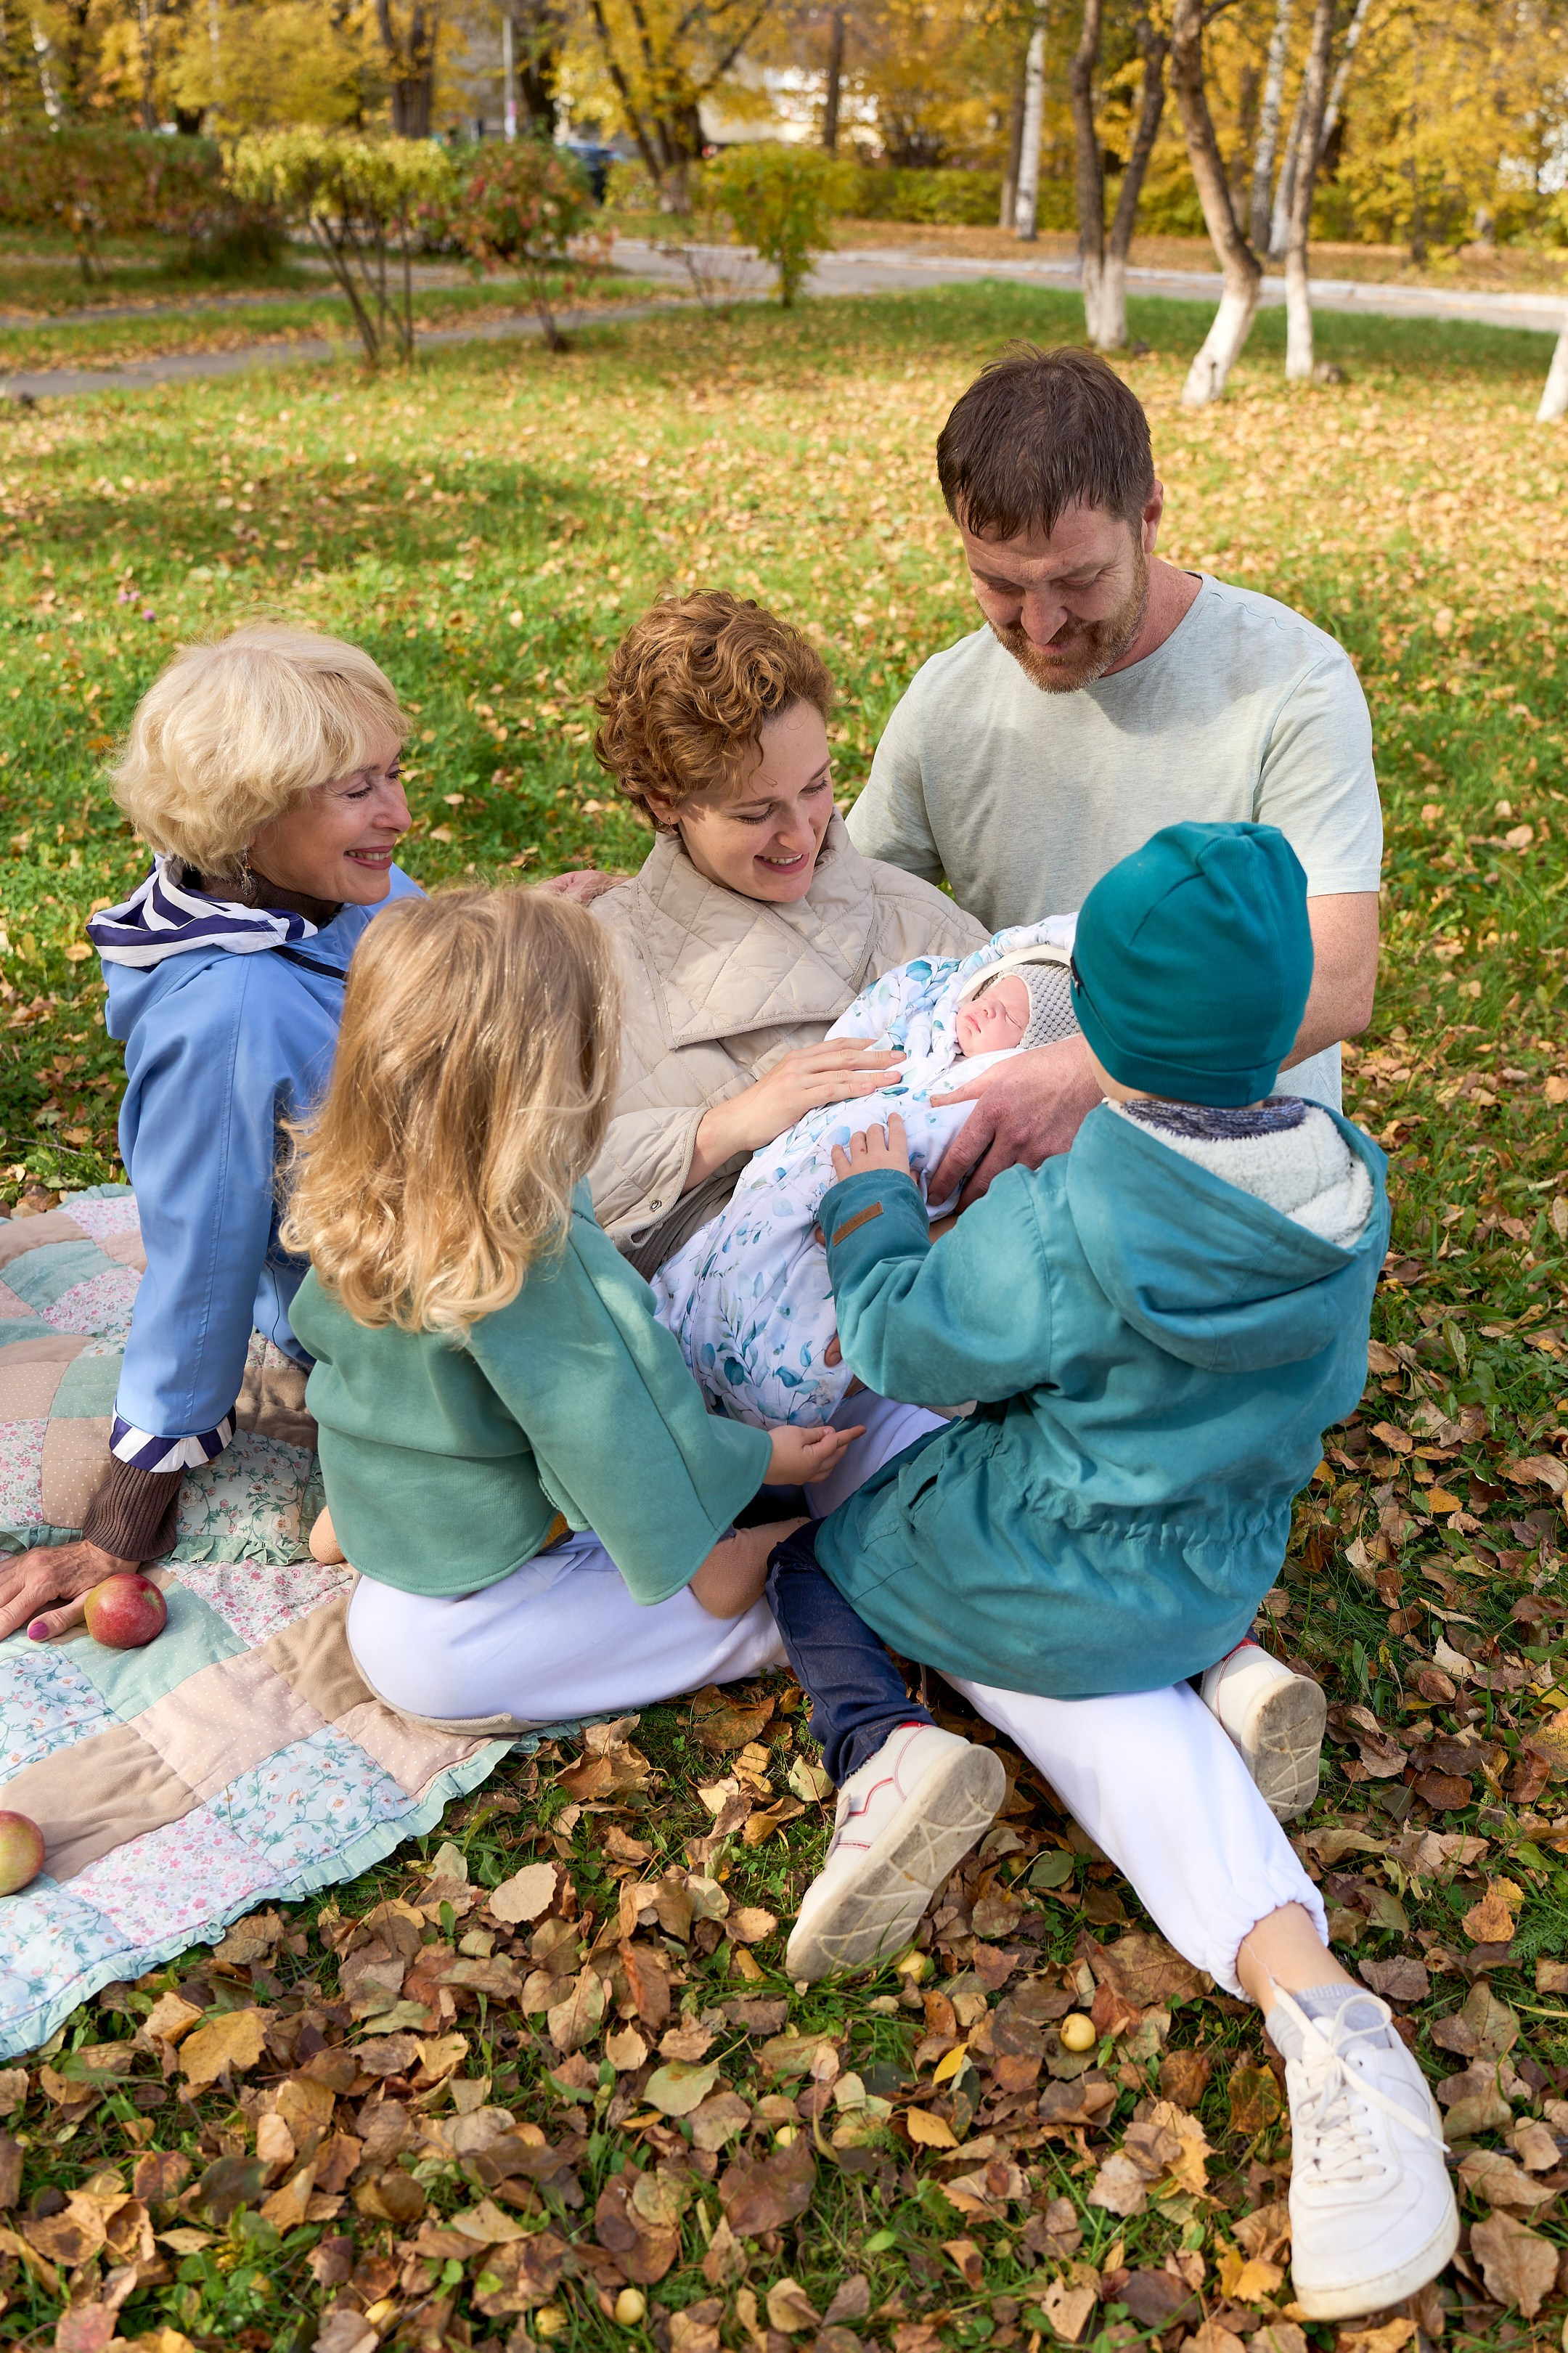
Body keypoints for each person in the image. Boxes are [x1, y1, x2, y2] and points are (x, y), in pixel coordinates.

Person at [764, 822, 1455, 2325]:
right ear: (1277, 1019)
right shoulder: (1348, 1179)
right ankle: (1226, 1666)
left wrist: (873, 1203)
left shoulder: (1072, 1214)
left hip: (1036, 1571)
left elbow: (900, 1347)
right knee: (1122, 1540)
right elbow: (1317, 1394)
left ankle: (879, 1753)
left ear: (1098, 1033)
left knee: (822, 1562)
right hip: (1219, 1556)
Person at [285, 886, 859, 1731]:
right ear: (561, 1076)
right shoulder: (531, 1254)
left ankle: (376, 1524)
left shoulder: (363, 1190)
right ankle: (748, 1564)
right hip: (463, 1584)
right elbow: (621, 1438)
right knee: (429, 1665)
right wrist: (759, 1461)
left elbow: (367, 1378)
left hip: (419, 1523)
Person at [846, 343, 1381, 1207]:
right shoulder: (947, 701)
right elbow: (843, 905)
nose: (1042, 625)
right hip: (1009, 1184)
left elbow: (1339, 978)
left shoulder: (1290, 683)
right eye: (998, 585)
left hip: (1233, 1185)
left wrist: (1092, 1075)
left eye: (1078, 580)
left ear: (1150, 513)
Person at [0, 624, 420, 1645]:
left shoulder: (319, 890)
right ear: (251, 812)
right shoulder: (231, 1017)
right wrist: (122, 1522)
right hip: (399, 1307)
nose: (400, 815)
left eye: (395, 774)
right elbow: (202, 1264)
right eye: (358, 789)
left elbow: (424, 946)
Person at [580, 592, 989, 1283]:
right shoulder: (587, 968)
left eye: (818, 785)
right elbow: (521, 1202)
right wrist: (723, 1129)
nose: (801, 833)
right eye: (755, 811)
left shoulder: (921, 924)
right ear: (664, 801)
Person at [652, 925, 1078, 1430]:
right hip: (722, 1241)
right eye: (990, 994)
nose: (985, 1008)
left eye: (1008, 1015)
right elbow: (888, 1007)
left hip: (841, 1283)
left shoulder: (978, 1107)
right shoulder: (921, 1025)